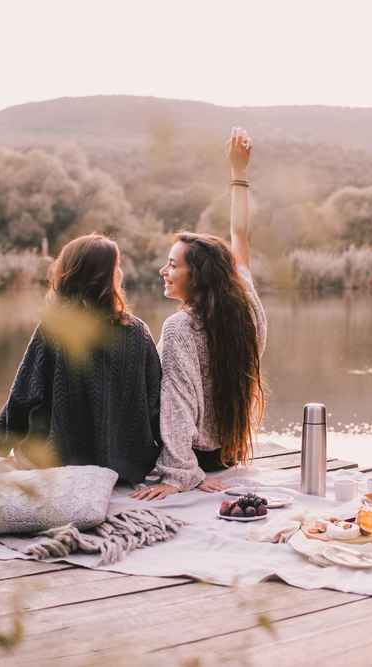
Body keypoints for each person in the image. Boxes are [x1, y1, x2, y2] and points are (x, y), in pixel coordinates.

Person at [131, 127, 266, 500]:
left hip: (194, 458)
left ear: (199, 275)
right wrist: (239, 172)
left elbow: (175, 405)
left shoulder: (179, 327)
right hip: (228, 454)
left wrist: (181, 474)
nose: (164, 270)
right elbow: (239, 236)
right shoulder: (246, 308)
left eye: (172, 264)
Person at [0, 233, 162, 484]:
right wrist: (178, 469)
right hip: (125, 467)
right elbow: (157, 407)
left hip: (61, 465)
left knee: (29, 424)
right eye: (117, 266)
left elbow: (20, 401)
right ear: (102, 276)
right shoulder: (138, 331)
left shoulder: (54, 330)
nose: (121, 272)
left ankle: (12, 465)